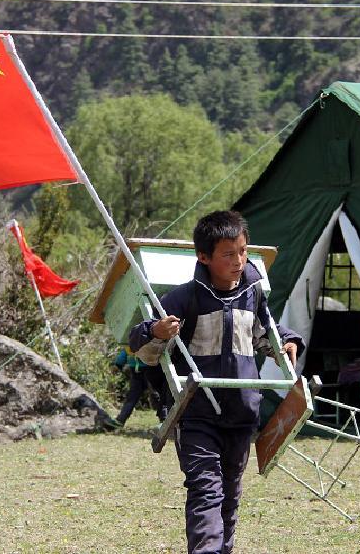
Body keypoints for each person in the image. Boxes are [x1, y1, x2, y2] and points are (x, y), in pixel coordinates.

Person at [129, 210, 304, 554]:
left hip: (241, 412)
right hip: (196, 414)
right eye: (228, 254)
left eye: (243, 251)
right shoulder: (184, 298)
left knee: (230, 493)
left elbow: (266, 333)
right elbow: (144, 347)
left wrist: (288, 342)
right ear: (204, 257)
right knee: (205, 490)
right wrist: (155, 330)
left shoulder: (254, 296)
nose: (238, 261)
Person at [108, 347, 166, 428]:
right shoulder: (137, 339)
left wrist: (119, 364)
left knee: (152, 395)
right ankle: (120, 420)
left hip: (144, 370)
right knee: (148, 395)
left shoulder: (134, 338)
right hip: (142, 370)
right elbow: (125, 351)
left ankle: (164, 420)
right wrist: (118, 364)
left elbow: (124, 354)